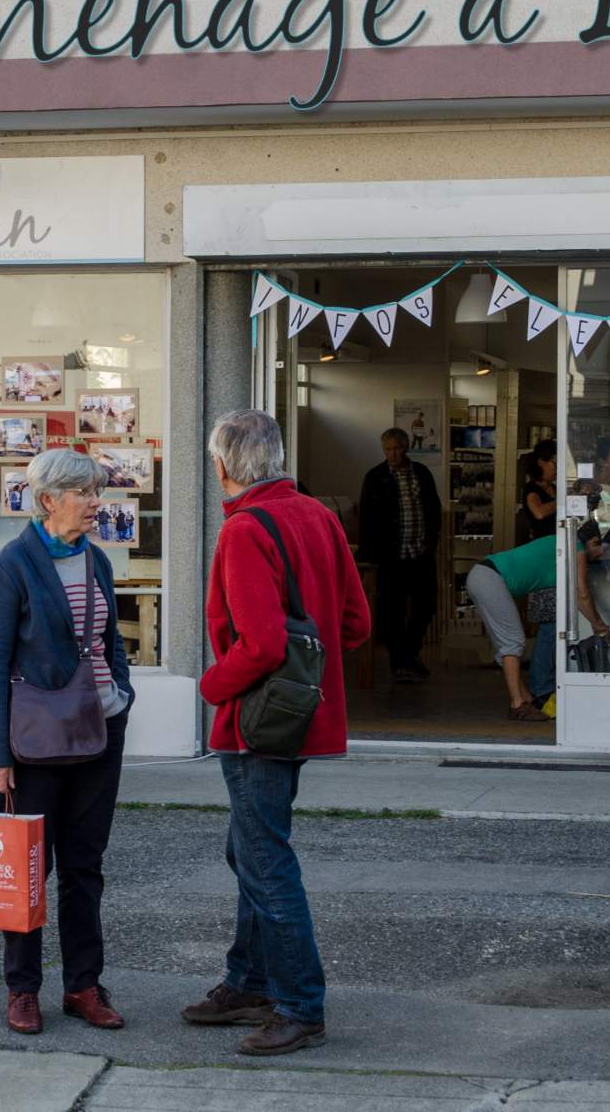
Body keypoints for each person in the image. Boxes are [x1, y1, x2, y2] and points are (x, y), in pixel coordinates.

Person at [189, 410, 371, 1058]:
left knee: (265, 860)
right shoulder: (318, 515)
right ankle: (249, 980)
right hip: (299, 713)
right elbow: (356, 624)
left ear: (222, 466)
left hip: (255, 719)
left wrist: (211, 686)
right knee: (250, 850)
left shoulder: (244, 529)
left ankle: (298, 1004)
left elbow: (262, 644)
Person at [0, 449, 135, 1037]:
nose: (96, 502)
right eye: (84, 492)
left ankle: (83, 986)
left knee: (85, 867)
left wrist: (122, 691)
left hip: (99, 730)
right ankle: (23, 989)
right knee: (28, 868)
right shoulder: (11, 565)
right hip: (34, 742)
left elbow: (111, 639)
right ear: (48, 500)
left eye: (96, 491)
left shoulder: (96, 559)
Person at [465, 522, 610, 723]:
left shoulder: (562, 544)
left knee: (506, 643)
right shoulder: (576, 548)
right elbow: (582, 593)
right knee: (513, 641)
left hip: (482, 575)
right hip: (490, 578)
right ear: (593, 541)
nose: (602, 556)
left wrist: (597, 624)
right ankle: (518, 705)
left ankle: (525, 698)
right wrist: (599, 626)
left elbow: (577, 597)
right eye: (603, 549)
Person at [357, 427, 442, 683]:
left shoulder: (421, 473)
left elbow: (433, 508)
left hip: (420, 553)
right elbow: (367, 518)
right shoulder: (375, 477)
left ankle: (410, 653)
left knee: (426, 605)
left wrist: (432, 541)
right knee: (392, 610)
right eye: (388, 450)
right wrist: (370, 555)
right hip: (390, 556)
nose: (393, 454)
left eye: (397, 449)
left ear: (406, 448)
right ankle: (400, 662)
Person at [518, 439, 558, 544]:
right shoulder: (531, 489)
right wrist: (563, 502)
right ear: (541, 462)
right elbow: (539, 513)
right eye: (554, 463)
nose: (557, 469)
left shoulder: (555, 488)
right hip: (540, 544)